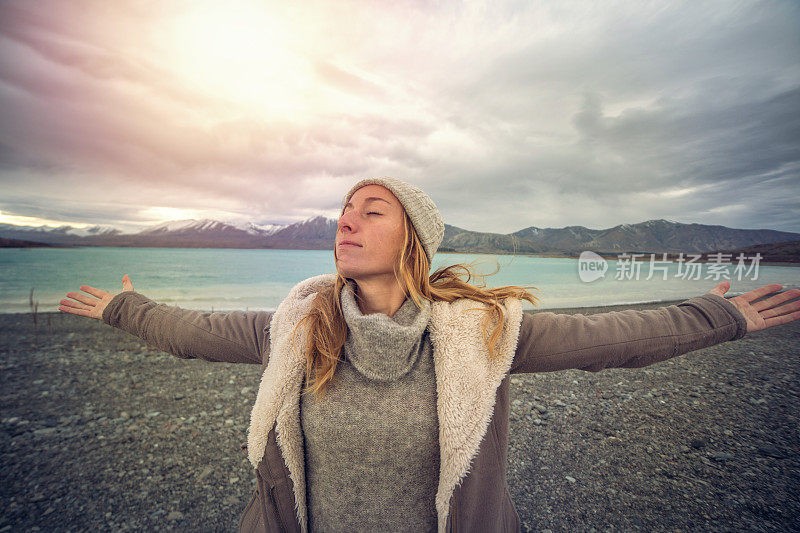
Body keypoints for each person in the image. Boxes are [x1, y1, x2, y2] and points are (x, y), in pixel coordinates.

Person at [59, 176, 800, 533]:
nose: (346, 220)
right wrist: (129, 308)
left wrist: (716, 315)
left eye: (369, 211)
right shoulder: (296, 326)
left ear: (412, 238)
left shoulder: (479, 332)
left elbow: (612, 338)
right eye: (344, 212)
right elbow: (194, 333)